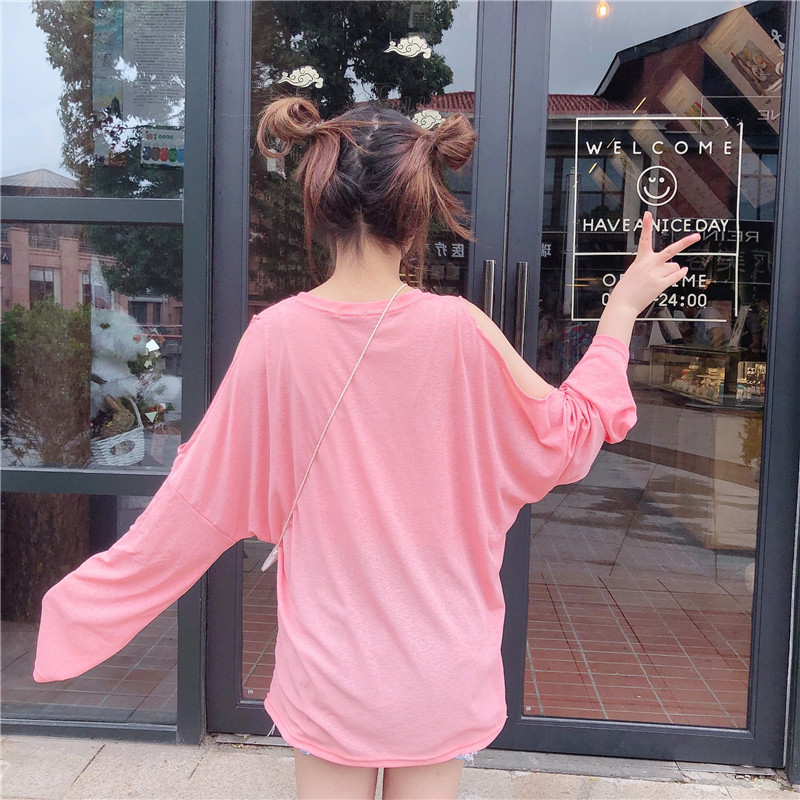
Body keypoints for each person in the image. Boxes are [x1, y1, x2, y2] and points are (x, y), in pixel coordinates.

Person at [32, 97, 699, 800]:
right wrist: (622, 307)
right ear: (415, 214)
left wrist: (86, 607)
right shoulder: (461, 330)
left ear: (320, 207)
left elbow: (193, 501)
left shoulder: (276, 337)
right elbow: (572, 432)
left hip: (332, 671)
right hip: (440, 666)